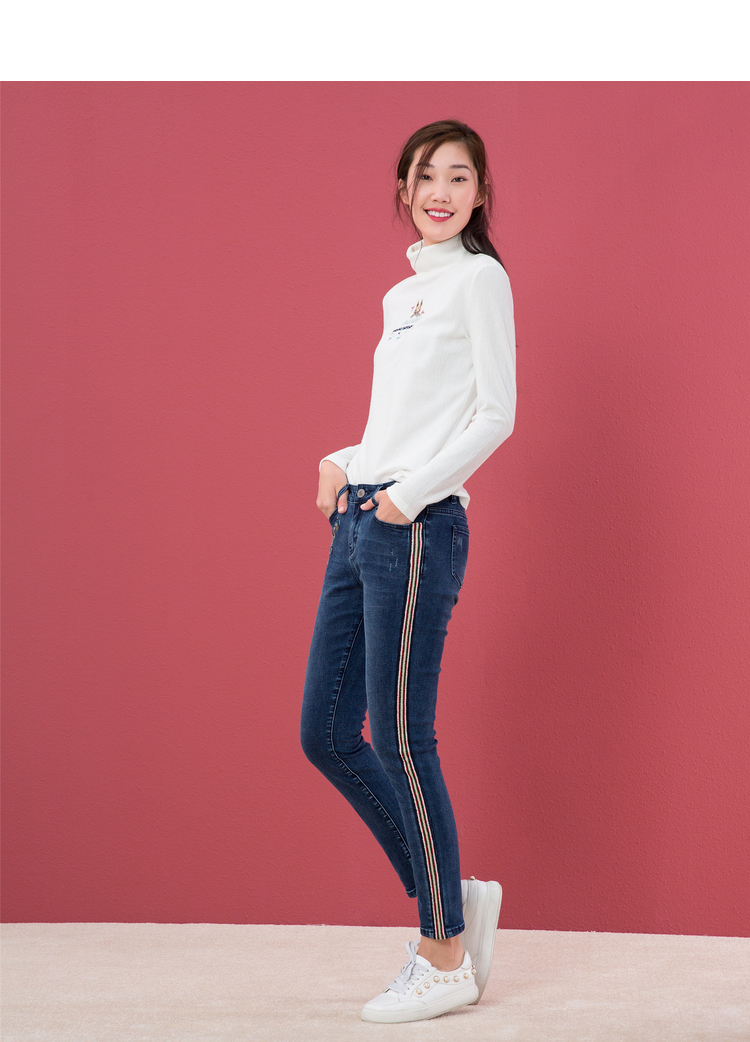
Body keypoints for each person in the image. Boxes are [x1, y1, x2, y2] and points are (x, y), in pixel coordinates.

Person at [300, 119, 516, 1024]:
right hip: (363, 517)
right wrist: (345, 459)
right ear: (403, 189)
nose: (440, 192)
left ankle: (444, 954)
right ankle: (449, 895)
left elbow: (496, 413)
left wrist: (404, 498)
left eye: (459, 177)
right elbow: (402, 420)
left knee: (398, 735)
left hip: (416, 525)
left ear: (479, 194)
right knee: (326, 733)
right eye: (426, 176)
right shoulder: (403, 294)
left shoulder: (479, 280)